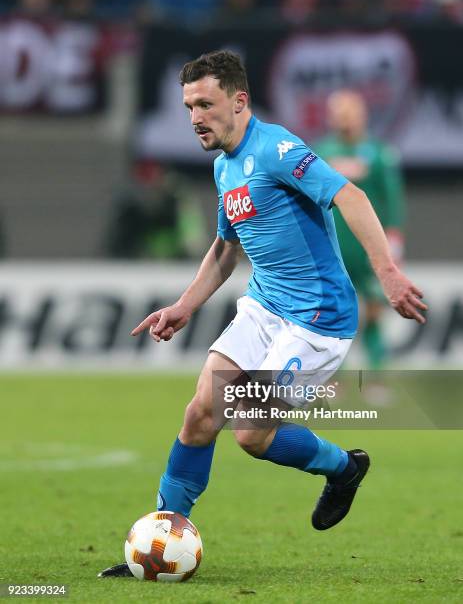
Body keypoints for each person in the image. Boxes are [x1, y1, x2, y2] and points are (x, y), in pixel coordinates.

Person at [99, 51, 427, 577]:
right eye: (188, 107)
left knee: (250, 432)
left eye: (205, 104)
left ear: (239, 101)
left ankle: (345, 469)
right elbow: (227, 248)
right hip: (264, 307)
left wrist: (386, 273)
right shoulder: (223, 165)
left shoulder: (276, 148)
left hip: (316, 320)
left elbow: (352, 196)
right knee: (200, 414)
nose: (195, 117)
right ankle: (162, 539)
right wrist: (185, 305)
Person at [316, 90, 405, 368]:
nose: (344, 117)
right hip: (333, 245)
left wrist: (394, 235)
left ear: (362, 114)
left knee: (375, 310)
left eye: (349, 111)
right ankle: (334, 377)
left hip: (369, 247)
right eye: (339, 111)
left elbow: (392, 197)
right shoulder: (319, 152)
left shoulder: (379, 153)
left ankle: (376, 375)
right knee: (334, 313)